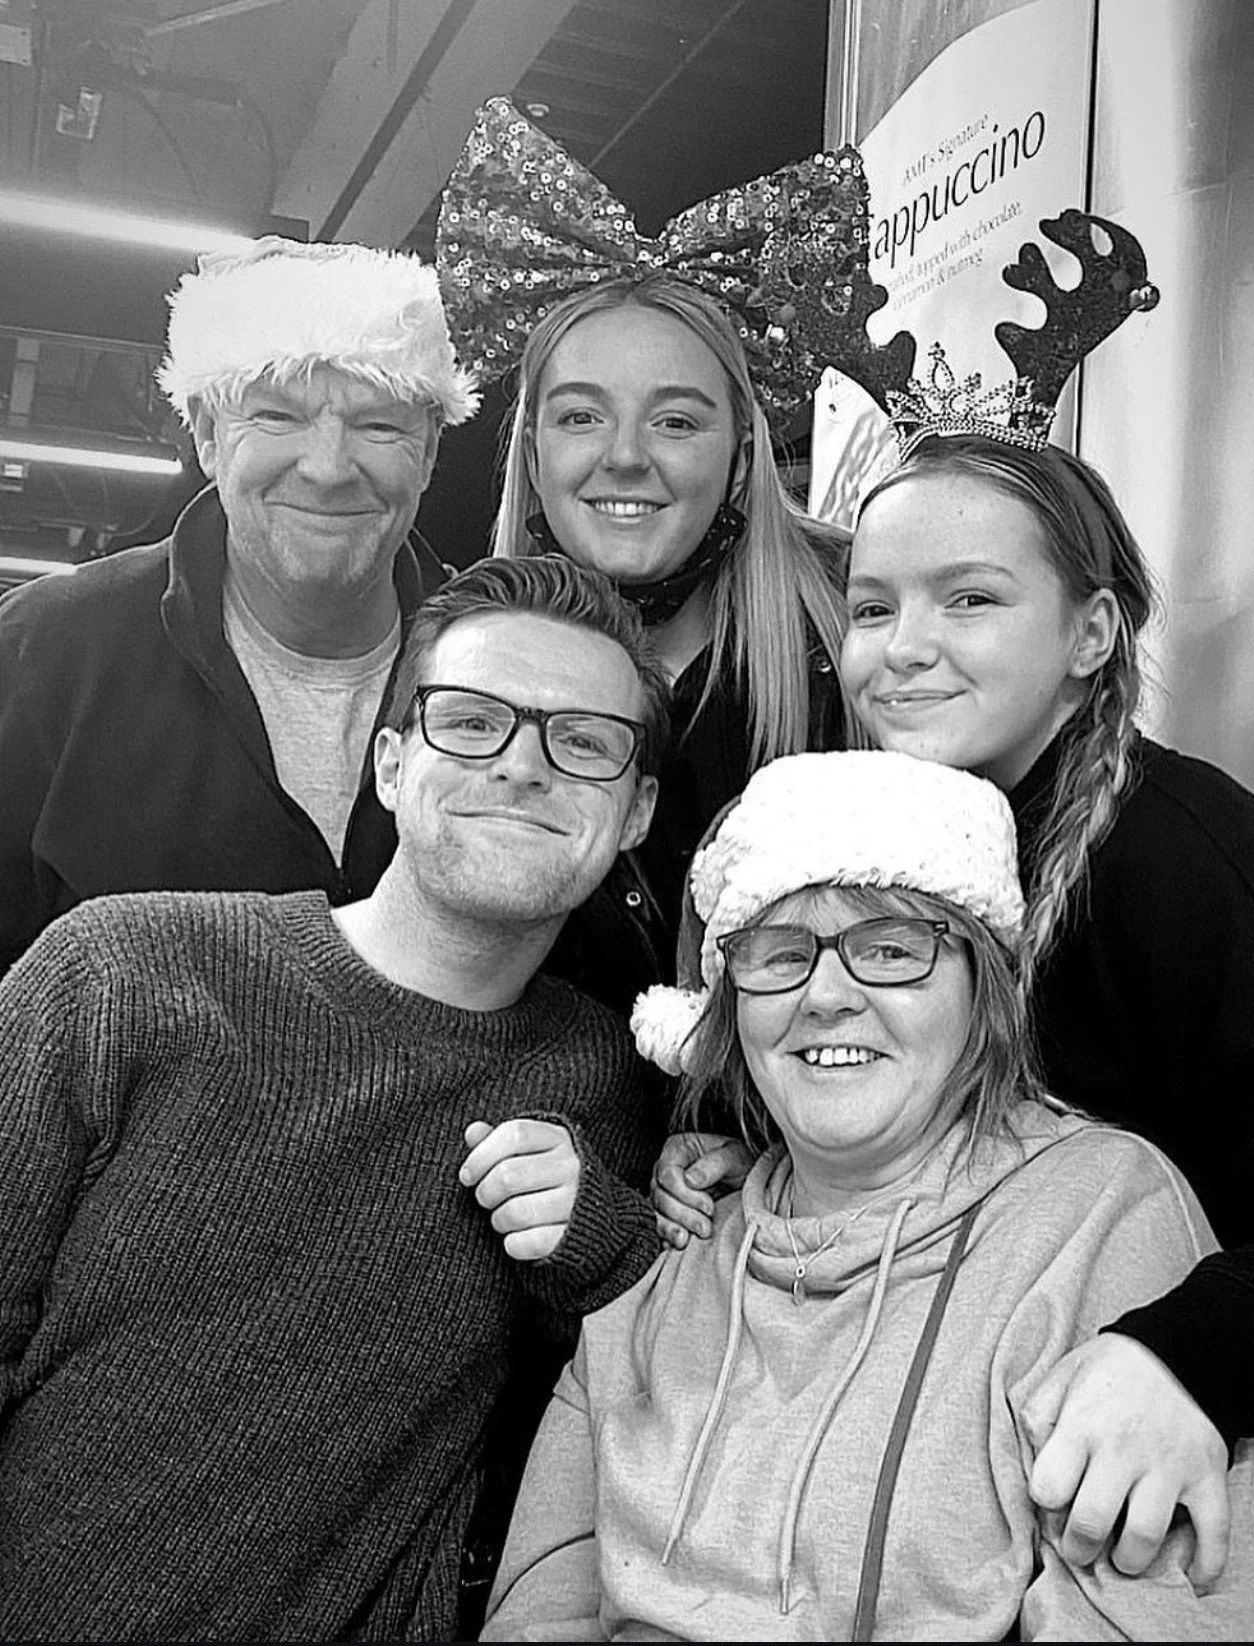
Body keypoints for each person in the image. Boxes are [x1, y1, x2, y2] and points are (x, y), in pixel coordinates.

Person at [482, 750, 1254, 1640]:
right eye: (779, 952)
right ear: (729, 1006)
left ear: (982, 991)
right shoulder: (676, 1257)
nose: (827, 995)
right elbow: (536, 1606)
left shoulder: (1105, 1221)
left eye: (891, 948)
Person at [0, 554, 670, 1640]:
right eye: (472, 721)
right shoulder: (121, 970)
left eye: (583, 741)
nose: (524, 767)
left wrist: (601, 1235)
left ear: (635, 811)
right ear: (392, 764)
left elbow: (643, 1399)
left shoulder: (609, 1080)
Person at [436, 98, 867, 1011]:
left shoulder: (863, 650)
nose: (624, 456)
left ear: (742, 453)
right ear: (534, 453)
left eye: (675, 420)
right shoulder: (452, 672)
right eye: (582, 416)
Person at [0, 235, 476, 977]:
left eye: (378, 423)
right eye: (278, 416)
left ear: (430, 449)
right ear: (209, 435)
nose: (326, 468)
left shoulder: (497, 675)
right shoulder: (44, 654)